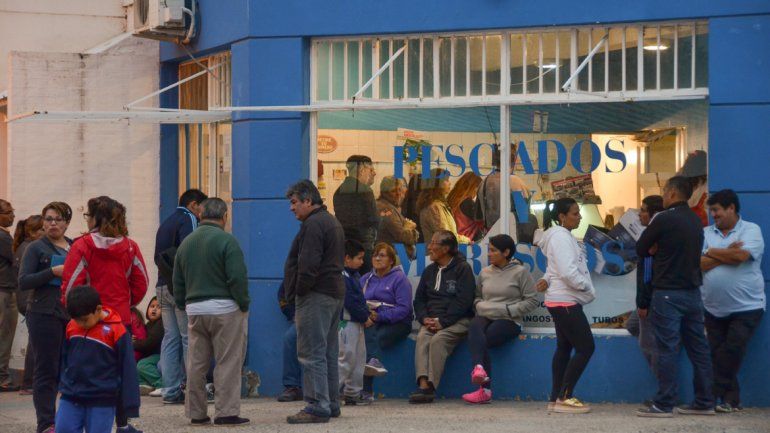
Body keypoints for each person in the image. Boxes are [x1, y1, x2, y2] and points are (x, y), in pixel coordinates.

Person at [61, 196, 149, 433]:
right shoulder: (130, 247)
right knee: (121, 372)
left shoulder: (82, 245)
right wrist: (125, 304)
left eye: (88, 215)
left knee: (83, 370)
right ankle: (122, 423)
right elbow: (141, 282)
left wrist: (76, 311)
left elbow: (70, 286)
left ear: (96, 218)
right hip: (120, 320)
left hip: (85, 320)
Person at [635, 176, 714, 417]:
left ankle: (664, 403)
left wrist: (656, 247)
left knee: (666, 348)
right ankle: (704, 401)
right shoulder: (695, 220)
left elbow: (641, 248)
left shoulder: (663, 219)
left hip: (667, 293)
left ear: (670, 193)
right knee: (699, 349)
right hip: (693, 292)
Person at [173, 198, 250, 427]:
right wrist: (243, 303)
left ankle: (196, 413)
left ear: (200, 215)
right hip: (225, 308)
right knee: (227, 361)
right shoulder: (228, 241)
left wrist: (182, 303)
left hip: (195, 309)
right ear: (224, 216)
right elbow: (237, 277)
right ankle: (226, 412)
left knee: (196, 363)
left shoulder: (186, 243)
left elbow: (177, 280)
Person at [284, 180, 345, 424]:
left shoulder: (313, 224)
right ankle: (330, 402)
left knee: (310, 352)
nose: (292, 208)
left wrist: (299, 291)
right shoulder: (330, 221)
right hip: (333, 293)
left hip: (316, 294)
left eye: (294, 202)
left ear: (308, 201)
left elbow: (307, 265)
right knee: (327, 352)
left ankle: (316, 405)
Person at [700, 189, 764, 413]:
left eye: (716, 210)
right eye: (711, 211)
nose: (713, 215)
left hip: (747, 307)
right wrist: (724, 251)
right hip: (713, 308)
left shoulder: (751, 230)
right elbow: (697, 264)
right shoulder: (705, 233)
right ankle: (730, 401)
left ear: (731, 208)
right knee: (720, 354)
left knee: (731, 351)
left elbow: (741, 257)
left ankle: (711, 394)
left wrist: (711, 253)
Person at [536, 197, 596, 414]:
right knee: (586, 347)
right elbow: (568, 271)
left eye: (578, 213)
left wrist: (546, 279)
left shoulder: (562, 237)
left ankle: (555, 398)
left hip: (561, 299)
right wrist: (587, 289)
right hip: (565, 301)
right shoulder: (561, 238)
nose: (579, 217)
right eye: (575, 213)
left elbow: (554, 270)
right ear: (561, 217)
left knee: (564, 347)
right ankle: (565, 397)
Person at [463, 234, 538, 404]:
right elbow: (477, 297)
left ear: (506, 252)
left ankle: (485, 390)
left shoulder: (521, 272)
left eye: (493, 251)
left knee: (485, 339)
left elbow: (532, 300)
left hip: (509, 319)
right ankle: (479, 368)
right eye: (488, 250)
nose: (488, 254)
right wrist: (480, 306)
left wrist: (509, 309)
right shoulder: (485, 272)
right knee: (474, 326)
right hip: (486, 315)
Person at [18, 201, 73, 433]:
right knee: (46, 369)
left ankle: (67, 419)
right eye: (48, 219)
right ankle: (46, 423)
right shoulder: (36, 248)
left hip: (70, 313)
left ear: (67, 223)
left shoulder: (74, 245)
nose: (52, 224)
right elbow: (23, 281)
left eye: (58, 219)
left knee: (69, 367)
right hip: (43, 313)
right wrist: (51, 271)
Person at [56, 285, 140, 433]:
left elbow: (128, 369)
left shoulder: (117, 331)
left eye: (84, 320)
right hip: (71, 395)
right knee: (63, 429)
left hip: (102, 399)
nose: (80, 324)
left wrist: (130, 405)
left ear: (98, 309)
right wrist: (62, 382)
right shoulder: (71, 326)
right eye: (76, 320)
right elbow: (64, 358)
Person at [154, 189, 207, 403]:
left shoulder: (166, 221)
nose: (203, 214)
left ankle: (170, 390)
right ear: (194, 205)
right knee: (189, 338)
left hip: (161, 286)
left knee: (170, 338)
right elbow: (191, 251)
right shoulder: (188, 219)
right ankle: (195, 391)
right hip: (179, 287)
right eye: (202, 208)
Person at [410, 230, 475, 404]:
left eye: (433, 243)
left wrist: (443, 321)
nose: (429, 247)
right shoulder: (429, 271)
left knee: (439, 340)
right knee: (423, 337)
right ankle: (422, 386)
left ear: (445, 248)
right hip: (432, 320)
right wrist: (424, 318)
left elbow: (464, 301)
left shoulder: (463, 269)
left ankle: (431, 386)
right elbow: (419, 300)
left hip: (457, 321)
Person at [360, 242, 413, 398]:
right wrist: (366, 315)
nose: (377, 258)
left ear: (391, 260)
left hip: (397, 323)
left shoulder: (400, 279)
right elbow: (356, 301)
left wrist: (379, 316)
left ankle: (366, 390)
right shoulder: (365, 279)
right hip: (370, 320)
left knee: (372, 338)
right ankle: (355, 386)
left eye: (382, 255)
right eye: (375, 255)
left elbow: (404, 309)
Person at [12, 214, 44, 395]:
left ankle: (29, 382)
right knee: (36, 341)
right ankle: (29, 382)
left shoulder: (24, 247)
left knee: (35, 340)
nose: (45, 231)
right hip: (29, 300)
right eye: (41, 229)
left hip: (26, 300)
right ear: (32, 232)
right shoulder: (29, 248)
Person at [634, 195, 665, 380]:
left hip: (651, 299)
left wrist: (643, 303)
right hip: (650, 298)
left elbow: (647, 275)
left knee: (648, 345)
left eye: (643, 210)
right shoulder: (653, 234)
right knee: (631, 324)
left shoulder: (651, 237)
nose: (640, 214)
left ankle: (664, 391)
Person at [337, 239, 371, 406]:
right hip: (346, 323)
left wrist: (364, 315)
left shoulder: (353, 275)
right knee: (346, 357)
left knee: (359, 358)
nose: (362, 262)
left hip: (356, 323)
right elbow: (350, 301)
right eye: (358, 258)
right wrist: (365, 316)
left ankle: (352, 392)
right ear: (346, 258)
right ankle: (329, 391)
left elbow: (358, 300)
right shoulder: (342, 277)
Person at [333, 155, 379, 274]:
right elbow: (374, 220)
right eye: (371, 170)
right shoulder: (365, 191)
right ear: (362, 169)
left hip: (346, 249)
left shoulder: (338, 192)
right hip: (364, 250)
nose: (374, 173)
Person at [474, 144, 530, 232]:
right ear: (514, 160)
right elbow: (524, 218)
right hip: (510, 238)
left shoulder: (483, 183)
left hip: (490, 238)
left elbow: (478, 218)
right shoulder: (516, 183)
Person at [418, 169, 471, 245]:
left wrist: (466, 240)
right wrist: (467, 240)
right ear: (437, 183)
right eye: (447, 180)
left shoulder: (438, 205)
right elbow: (445, 235)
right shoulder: (433, 207)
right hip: (438, 253)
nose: (450, 183)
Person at [0, 198, 19, 393]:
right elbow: (15, 262)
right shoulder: (3, 237)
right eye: (8, 212)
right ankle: (2, 378)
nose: (13, 215)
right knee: (4, 335)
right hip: (4, 291)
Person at [376, 176, 419, 259]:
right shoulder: (386, 209)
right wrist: (410, 229)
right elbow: (403, 236)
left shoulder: (389, 206)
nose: (398, 194)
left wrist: (407, 228)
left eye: (399, 190)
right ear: (385, 193)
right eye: (393, 191)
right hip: (392, 256)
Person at [276, 280, 303, 402]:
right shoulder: (293, 274)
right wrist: (294, 315)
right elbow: (283, 298)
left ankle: (331, 390)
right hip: (302, 318)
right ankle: (292, 386)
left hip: (324, 315)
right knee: (290, 338)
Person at [134, 297, 164, 395]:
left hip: (159, 355)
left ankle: (162, 384)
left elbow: (150, 342)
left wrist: (134, 344)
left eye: (158, 307)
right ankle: (146, 385)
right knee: (136, 367)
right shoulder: (149, 325)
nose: (154, 309)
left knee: (143, 365)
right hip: (151, 356)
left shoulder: (160, 324)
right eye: (152, 306)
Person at [447, 172, 484, 242]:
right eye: (478, 188)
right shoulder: (467, 203)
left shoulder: (453, 199)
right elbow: (483, 221)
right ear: (473, 187)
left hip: (456, 239)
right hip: (467, 240)